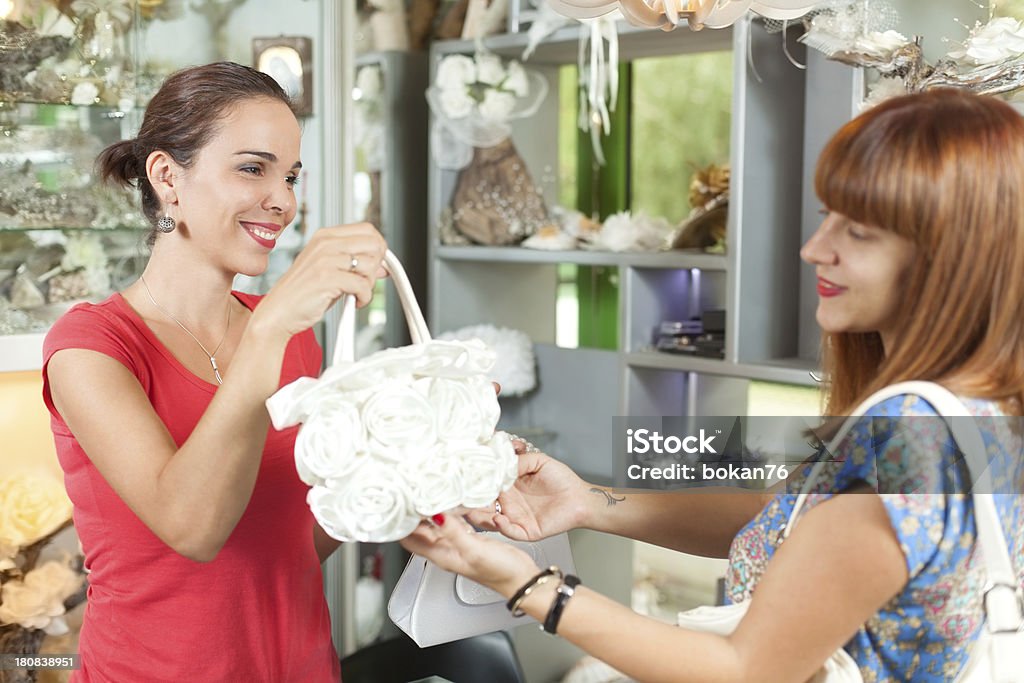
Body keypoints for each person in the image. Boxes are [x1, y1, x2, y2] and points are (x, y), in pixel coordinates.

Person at [402, 88, 1024, 682]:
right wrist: (589, 501)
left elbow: (744, 669)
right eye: (826, 217)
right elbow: (779, 518)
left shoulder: (907, 441)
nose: (814, 248)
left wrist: (519, 581)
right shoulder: (979, 401)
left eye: (857, 232)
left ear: (952, 258)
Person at [42, 62, 387, 682]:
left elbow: (293, 545)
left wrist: (400, 464)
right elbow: (193, 529)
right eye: (253, 168)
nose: (282, 200)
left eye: (290, 176)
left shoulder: (289, 335)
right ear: (168, 177)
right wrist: (271, 329)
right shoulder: (90, 348)